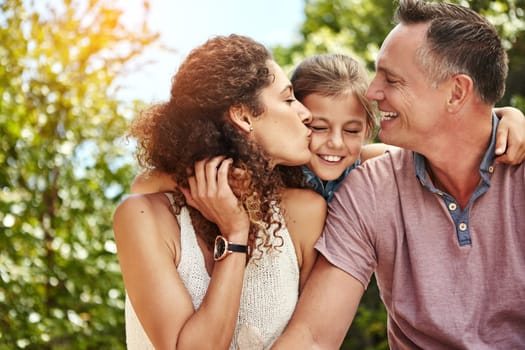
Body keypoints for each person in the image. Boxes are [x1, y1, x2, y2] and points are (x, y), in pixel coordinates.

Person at [272, 1, 525, 349]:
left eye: (391, 79)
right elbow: (313, 337)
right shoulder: (370, 186)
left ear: (456, 92)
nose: (373, 93)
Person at [113, 34, 327, 350]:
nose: (306, 113)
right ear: (242, 116)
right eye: (287, 99)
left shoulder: (304, 214)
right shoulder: (145, 217)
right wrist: (235, 233)